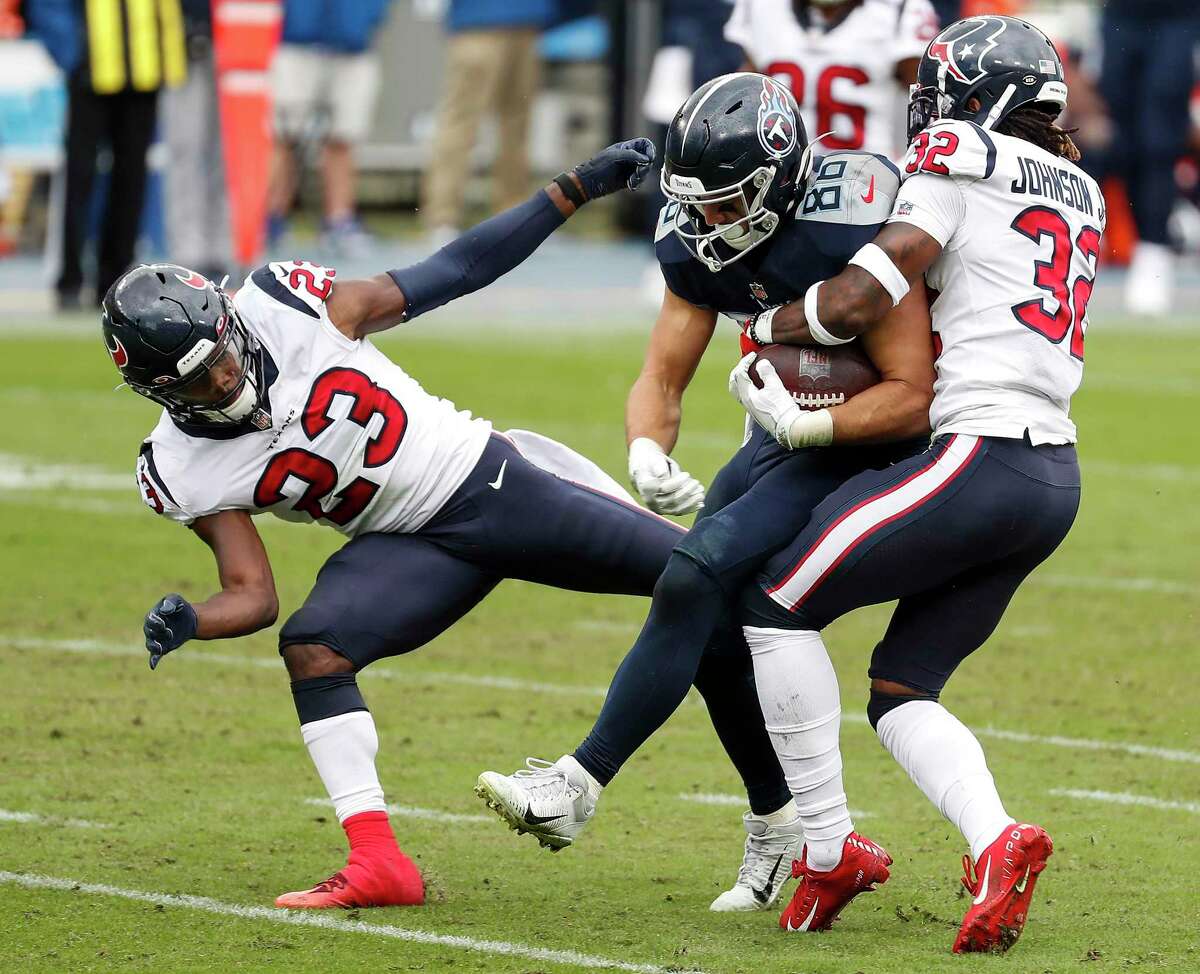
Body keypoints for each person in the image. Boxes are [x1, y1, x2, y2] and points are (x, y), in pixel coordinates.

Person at [105, 141, 682, 911]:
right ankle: (377, 860)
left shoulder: (284, 303)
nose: (226, 379)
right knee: (313, 647)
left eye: (222, 356)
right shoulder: (179, 465)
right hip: (407, 544)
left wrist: (573, 189)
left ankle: (790, 822)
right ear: (156, 392)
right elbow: (252, 593)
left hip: (488, 483)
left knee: (703, 577)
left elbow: (454, 271)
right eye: (198, 380)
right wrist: (192, 620)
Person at [476, 73, 935, 922]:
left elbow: (913, 392)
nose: (707, 223)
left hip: (866, 438)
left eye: (727, 203)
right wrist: (648, 445)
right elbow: (663, 372)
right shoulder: (695, 238)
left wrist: (811, 429)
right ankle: (780, 821)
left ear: (781, 175)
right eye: (696, 204)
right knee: (710, 619)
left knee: (694, 573)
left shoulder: (855, 217)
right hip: (781, 433)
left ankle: (579, 782)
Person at [726, 15, 1102, 953]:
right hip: (1054, 477)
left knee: (773, 608)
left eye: (945, 92)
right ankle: (996, 842)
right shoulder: (1082, 187)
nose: (929, 107)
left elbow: (864, 293)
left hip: (980, 454)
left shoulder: (956, 150)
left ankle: (825, 847)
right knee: (903, 687)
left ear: (979, 102)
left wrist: (772, 322)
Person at [51, 0, 186, 308]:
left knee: (132, 179)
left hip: (144, 67)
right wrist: (72, 50)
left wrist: (172, 48)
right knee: (80, 177)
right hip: (91, 66)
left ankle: (116, 281)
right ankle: (70, 279)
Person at [725, 0, 940, 160]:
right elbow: (749, 90)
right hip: (783, 174)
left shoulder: (901, 9)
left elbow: (931, 100)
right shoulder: (762, 8)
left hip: (865, 177)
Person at [1092, 0, 1199, 315]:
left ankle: (1153, 251)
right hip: (1122, 14)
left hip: (1177, 16)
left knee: (1159, 139)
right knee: (1116, 139)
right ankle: (1119, 243)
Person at [420, 0, 551, 242]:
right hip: (476, 20)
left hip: (527, 20)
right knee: (461, 122)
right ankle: (442, 217)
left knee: (517, 125)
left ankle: (515, 217)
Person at [267, 0, 391, 255]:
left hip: (353, 41)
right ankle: (270, 219)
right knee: (283, 135)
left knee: (344, 136)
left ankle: (339, 222)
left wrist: (367, 16)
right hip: (294, 39)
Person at [162, 0, 231, 282]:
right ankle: (187, 250)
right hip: (179, 39)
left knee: (229, 152)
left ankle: (226, 246)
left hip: (237, 35)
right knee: (185, 147)